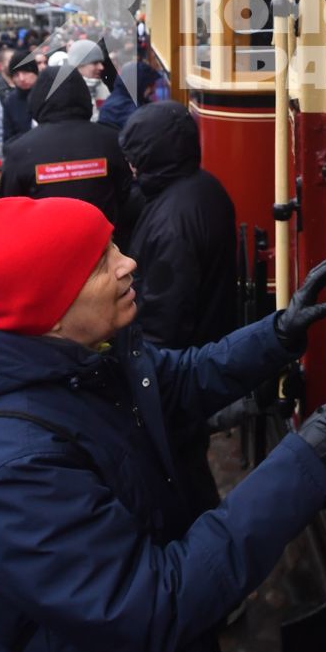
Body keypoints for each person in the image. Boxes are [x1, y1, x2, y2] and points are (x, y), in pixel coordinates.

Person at [0, 198, 326, 652]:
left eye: (113, 245)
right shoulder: (12, 470)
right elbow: (153, 607)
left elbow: (178, 380)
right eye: (102, 262)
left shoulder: (80, 353)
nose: (128, 264)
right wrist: (302, 464)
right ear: (52, 310)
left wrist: (277, 334)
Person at [116, 102, 241, 515]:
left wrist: (144, 374)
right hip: (200, 347)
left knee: (182, 468)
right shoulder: (203, 187)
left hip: (176, 369)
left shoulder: (173, 218)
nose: (132, 168)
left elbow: (165, 314)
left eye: (136, 158)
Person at [2, 65, 133, 242]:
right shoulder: (109, 140)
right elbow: (125, 192)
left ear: (38, 98)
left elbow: (9, 207)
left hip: (47, 248)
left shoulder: (20, 151)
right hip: (103, 247)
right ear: (83, 96)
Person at [0, 47, 40, 148]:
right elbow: (6, 138)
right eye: (16, 74)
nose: (21, 78)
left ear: (35, 73)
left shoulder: (48, 95)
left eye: (26, 72)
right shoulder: (10, 101)